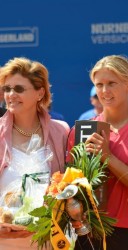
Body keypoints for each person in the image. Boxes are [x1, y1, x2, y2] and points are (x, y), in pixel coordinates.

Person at [67, 55, 128, 250]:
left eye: (111, 83)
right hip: (89, 236)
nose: (104, 91)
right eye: (99, 84)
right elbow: (69, 187)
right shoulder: (82, 130)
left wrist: (108, 157)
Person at [0, 57, 70, 249]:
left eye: (19, 89)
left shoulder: (61, 131)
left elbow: (71, 185)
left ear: (40, 93)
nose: (11, 94)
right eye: (7, 89)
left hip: (48, 240)